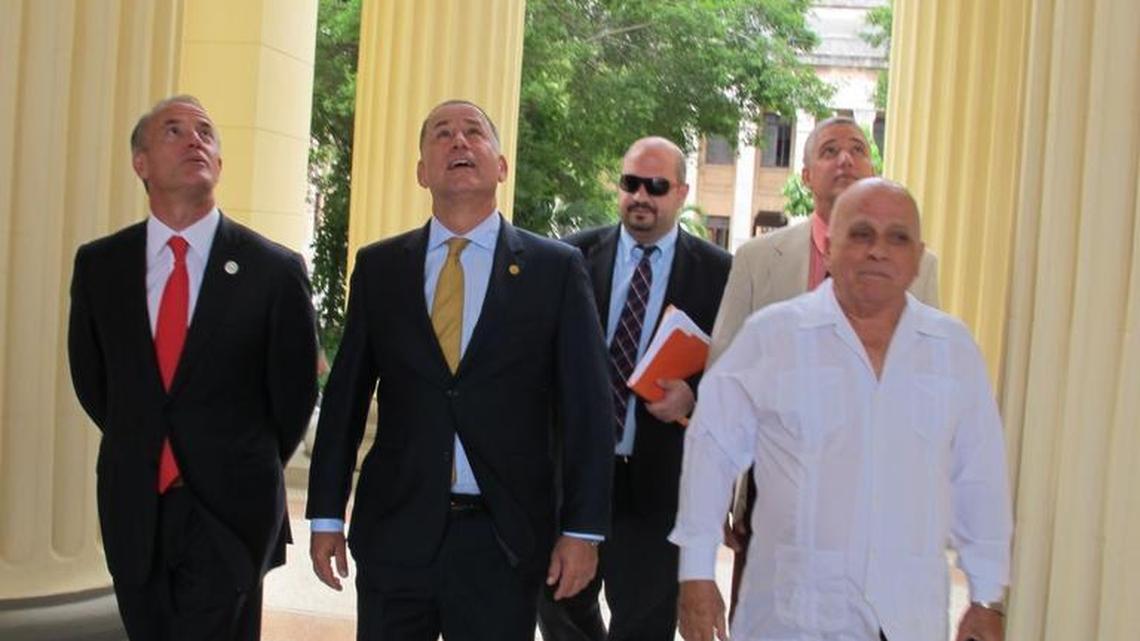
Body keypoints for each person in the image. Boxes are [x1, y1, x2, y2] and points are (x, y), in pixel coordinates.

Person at [305, 100, 614, 641]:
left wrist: (582, 530)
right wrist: (327, 514)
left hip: (503, 539)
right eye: (442, 134)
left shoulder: (555, 271)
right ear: (422, 170)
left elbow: (589, 409)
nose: (459, 142)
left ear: (501, 166)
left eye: (474, 132)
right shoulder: (381, 268)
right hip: (396, 533)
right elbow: (344, 401)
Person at [671, 178, 1013, 641]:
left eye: (897, 237)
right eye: (861, 234)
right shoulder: (773, 337)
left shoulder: (951, 349)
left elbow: (980, 477)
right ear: (829, 248)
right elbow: (711, 451)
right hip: (792, 614)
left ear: (918, 257)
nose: (878, 251)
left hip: (906, 616)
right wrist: (696, 573)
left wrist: (987, 596)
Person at [67, 95, 319, 640]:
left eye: (206, 132)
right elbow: (94, 383)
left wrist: (231, 452)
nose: (195, 140)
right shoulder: (101, 266)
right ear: (141, 163)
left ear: (219, 165)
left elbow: (293, 396)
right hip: (136, 507)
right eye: (174, 131)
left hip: (229, 513)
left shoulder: (273, 271)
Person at [709, 117, 940, 611]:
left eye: (858, 149)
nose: (845, 159)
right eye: (830, 150)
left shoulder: (920, 268)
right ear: (808, 176)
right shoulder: (756, 259)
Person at [537, 137, 731, 641]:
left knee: (643, 626)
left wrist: (694, 397)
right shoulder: (569, 257)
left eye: (657, 186)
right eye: (631, 184)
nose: (641, 195)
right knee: (558, 606)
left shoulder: (719, 274)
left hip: (657, 485)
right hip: (573, 478)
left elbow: (736, 376)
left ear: (682, 192)